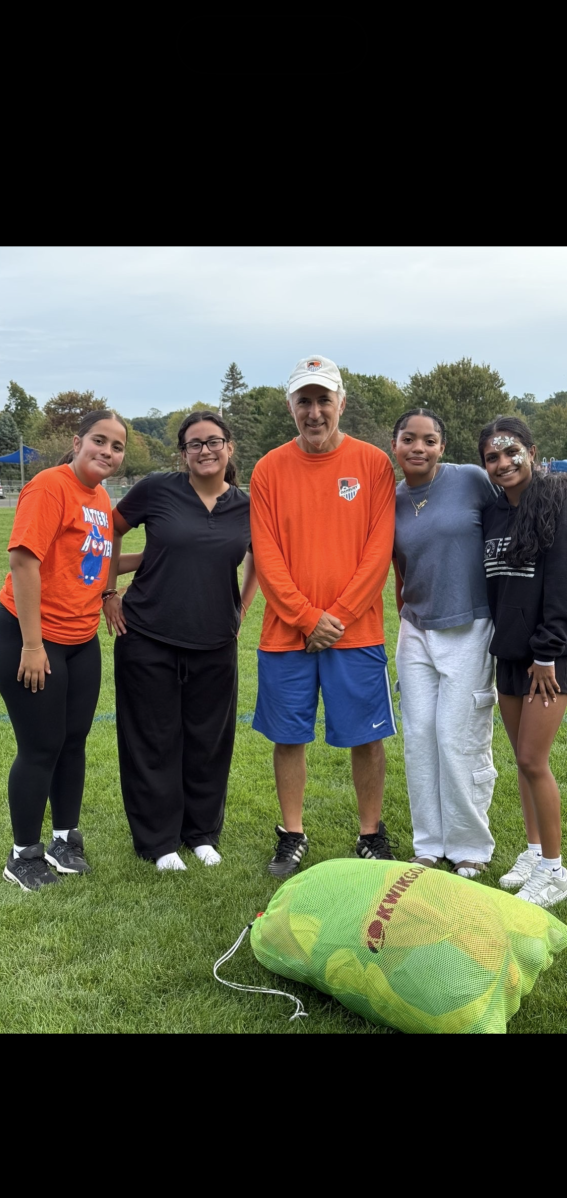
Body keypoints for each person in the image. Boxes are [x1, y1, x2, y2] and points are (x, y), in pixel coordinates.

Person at [249, 354, 397, 878]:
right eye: (304, 401)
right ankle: (291, 834)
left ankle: (370, 834)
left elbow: (378, 550)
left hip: (355, 633)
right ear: (290, 406)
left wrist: (337, 616)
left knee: (366, 737)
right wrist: (307, 618)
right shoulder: (268, 469)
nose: (314, 412)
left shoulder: (374, 463)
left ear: (342, 403)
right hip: (288, 633)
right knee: (289, 737)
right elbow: (266, 555)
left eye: (323, 400)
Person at [103, 411, 256, 871]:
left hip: (215, 640)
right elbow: (110, 529)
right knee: (153, 740)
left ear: (229, 447)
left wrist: (241, 608)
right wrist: (108, 592)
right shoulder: (157, 489)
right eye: (194, 444)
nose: (205, 450)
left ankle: (201, 834)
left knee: (209, 741)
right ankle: (159, 842)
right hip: (146, 634)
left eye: (213, 441)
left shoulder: (248, 505)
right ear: (183, 453)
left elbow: (261, 559)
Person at [0, 411, 128, 891]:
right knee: (41, 746)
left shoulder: (100, 496)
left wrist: (168, 553)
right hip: (31, 637)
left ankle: (64, 840)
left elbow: (95, 559)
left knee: (73, 741)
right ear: (77, 441)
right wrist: (32, 644)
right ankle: (23, 855)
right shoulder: (50, 486)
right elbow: (23, 561)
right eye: (99, 441)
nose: (107, 452)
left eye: (117, 446)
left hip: (80, 640)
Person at [392, 408, 499, 877]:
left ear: (442, 446)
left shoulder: (471, 480)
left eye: (429, 440)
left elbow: (510, 521)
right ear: (395, 445)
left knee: (458, 738)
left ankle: (469, 845)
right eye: (409, 439)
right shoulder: (391, 498)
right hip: (415, 628)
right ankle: (429, 844)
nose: (419, 447)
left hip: (469, 626)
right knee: (419, 739)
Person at [478, 416, 567, 907]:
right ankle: (534, 853)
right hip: (509, 653)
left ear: (532, 452)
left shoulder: (556, 502)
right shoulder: (494, 513)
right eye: (492, 457)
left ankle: (555, 870)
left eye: (512, 452)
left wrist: (547, 651)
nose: (503, 462)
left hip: (548, 658)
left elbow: (561, 584)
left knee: (534, 760)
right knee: (522, 761)